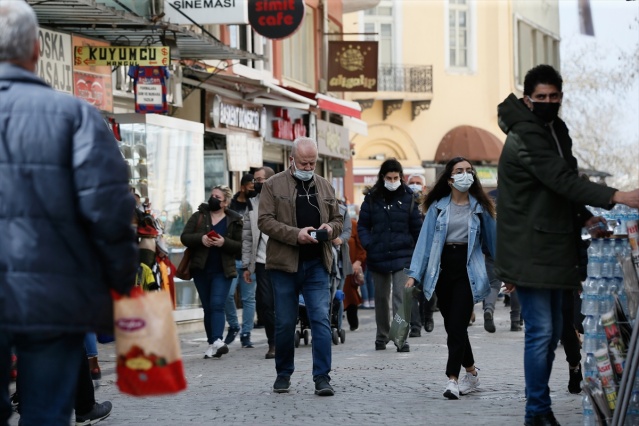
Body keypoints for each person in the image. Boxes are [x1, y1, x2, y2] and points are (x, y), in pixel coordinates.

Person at [0, 2, 138, 424]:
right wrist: (120, 286)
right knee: (46, 413)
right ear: (38, 49)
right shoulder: (75, 116)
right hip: (53, 297)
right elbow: (110, 212)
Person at [495, 64, 639, 426]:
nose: (548, 102)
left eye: (554, 97)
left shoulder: (555, 130)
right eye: (540, 97)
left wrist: (584, 218)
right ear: (527, 100)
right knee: (541, 332)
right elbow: (558, 178)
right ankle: (536, 413)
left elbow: (567, 182)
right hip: (530, 246)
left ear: (561, 97)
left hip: (554, 243)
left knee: (554, 332)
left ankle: (540, 410)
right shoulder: (525, 135)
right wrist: (617, 195)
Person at [405, 157, 497, 400]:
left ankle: (452, 380)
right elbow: (424, 243)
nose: (465, 174)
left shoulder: (481, 208)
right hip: (442, 269)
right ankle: (472, 373)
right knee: (452, 325)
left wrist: (507, 273)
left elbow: (494, 244)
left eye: (469, 170)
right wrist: (414, 274)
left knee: (457, 325)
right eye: (459, 171)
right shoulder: (437, 207)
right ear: (450, 178)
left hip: (469, 269)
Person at [258, 137, 343, 396]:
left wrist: (330, 228)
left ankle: (322, 378)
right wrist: (296, 234)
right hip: (284, 265)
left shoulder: (325, 186)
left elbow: (339, 218)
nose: (308, 167)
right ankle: (283, 373)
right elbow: (264, 221)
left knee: (320, 319)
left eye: (312, 162)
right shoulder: (273, 185)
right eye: (304, 162)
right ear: (291, 159)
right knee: (284, 322)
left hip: (317, 262)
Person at [357, 159, 422, 352]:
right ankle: (382, 336)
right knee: (381, 298)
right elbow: (363, 225)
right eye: (389, 177)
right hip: (378, 253)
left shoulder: (409, 198)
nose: (393, 181)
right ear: (382, 177)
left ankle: (400, 337)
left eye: (396, 177)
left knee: (401, 296)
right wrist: (369, 244)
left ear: (401, 177)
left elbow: (417, 228)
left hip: (403, 254)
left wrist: (417, 255)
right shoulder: (371, 198)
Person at [180, 185, 243, 359]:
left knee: (217, 304)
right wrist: (200, 239)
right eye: (212, 195)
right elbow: (184, 237)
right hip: (201, 269)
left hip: (223, 270)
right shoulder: (200, 216)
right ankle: (212, 343)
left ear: (225, 202)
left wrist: (225, 242)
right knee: (208, 307)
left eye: (218, 197)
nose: (213, 198)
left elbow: (240, 246)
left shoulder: (234, 220)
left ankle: (217, 340)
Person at [241, 166, 277, 359]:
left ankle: (284, 338)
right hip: (262, 261)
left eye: (260, 179)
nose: (256, 183)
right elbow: (247, 236)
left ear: (270, 181)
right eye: (255, 179)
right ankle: (273, 342)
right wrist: (247, 265)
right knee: (265, 303)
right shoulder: (252, 204)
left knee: (283, 302)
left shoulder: (282, 201)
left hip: (283, 259)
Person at [224, 173, 257, 348]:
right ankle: (234, 326)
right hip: (231, 256)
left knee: (248, 298)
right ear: (243, 186)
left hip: (249, 259)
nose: (253, 189)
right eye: (251, 186)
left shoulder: (257, 203)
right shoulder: (231, 205)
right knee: (227, 295)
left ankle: (246, 333)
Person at [406, 173, 437, 335]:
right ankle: (415, 325)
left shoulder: (431, 204)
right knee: (410, 290)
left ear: (424, 187)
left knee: (429, 290)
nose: (415, 185)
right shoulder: (403, 202)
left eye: (418, 183)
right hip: (408, 252)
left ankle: (428, 315)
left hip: (429, 253)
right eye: (412, 183)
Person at [343, 215, 366, 331]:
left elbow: (362, 246)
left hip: (351, 267)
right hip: (334, 266)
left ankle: (353, 322)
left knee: (351, 293)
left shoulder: (353, 224)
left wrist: (358, 261)